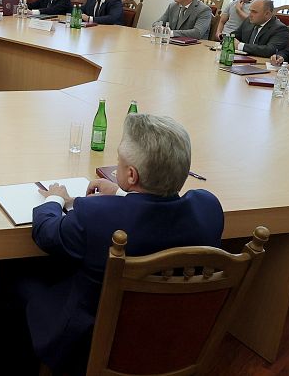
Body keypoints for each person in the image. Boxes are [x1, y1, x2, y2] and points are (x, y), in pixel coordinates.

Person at [23, 113, 224, 371]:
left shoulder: (96, 217)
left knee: (19, 281)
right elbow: (156, 216)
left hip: (94, 344)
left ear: (131, 175)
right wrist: (121, 194)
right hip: (173, 340)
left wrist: (55, 198)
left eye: (118, 160)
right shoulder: (209, 209)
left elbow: (46, 234)